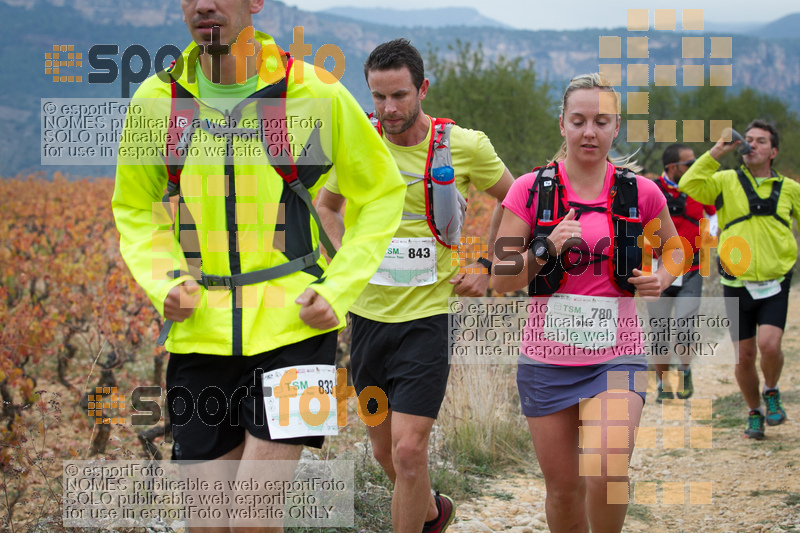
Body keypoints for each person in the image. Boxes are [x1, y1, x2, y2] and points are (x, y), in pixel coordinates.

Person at [111, 0, 405, 531]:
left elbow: (381, 195)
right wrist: (165, 282)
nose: (205, 4)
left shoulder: (312, 92)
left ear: (255, 3)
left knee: (252, 520)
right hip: (198, 335)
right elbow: (137, 208)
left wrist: (337, 290)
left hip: (297, 328)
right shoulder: (158, 101)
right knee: (206, 525)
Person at [316, 39, 514, 533]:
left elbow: (519, 201)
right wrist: (345, 267)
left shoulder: (465, 145)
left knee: (409, 449)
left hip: (427, 319)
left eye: (400, 95)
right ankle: (431, 512)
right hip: (367, 319)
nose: (388, 109)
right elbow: (326, 208)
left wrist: (489, 264)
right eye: (379, 97)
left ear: (422, 89)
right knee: (385, 451)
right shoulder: (357, 142)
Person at [492, 73, 679, 533]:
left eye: (601, 121)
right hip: (546, 361)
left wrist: (662, 276)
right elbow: (500, 279)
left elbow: (677, 248)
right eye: (578, 120)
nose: (589, 131)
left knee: (607, 469)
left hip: (618, 354)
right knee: (563, 489)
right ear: (562, 124)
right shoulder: (530, 190)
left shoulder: (640, 192)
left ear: (617, 127)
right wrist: (545, 247)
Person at [679, 120, 800, 440]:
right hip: (735, 281)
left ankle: (771, 390)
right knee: (744, 356)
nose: (752, 145)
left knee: (769, 345)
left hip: (776, 280)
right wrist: (718, 151)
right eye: (747, 140)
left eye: (760, 141)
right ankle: (754, 411)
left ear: (773, 151)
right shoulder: (725, 180)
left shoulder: (789, 189)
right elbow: (689, 184)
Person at [647, 143, 717, 402]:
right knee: (659, 331)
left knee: (685, 326)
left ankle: (685, 371)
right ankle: (664, 382)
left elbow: (714, 214)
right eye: (690, 164)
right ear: (673, 167)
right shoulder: (651, 190)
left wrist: (710, 236)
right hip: (657, 269)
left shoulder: (699, 189)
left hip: (692, 269)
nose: (694, 167)